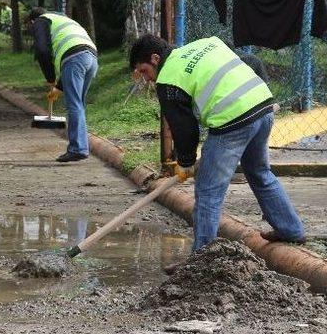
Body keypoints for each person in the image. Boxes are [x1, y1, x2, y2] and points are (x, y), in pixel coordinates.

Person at [129, 34, 305, 253]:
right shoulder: (205, 44)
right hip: (263, 107)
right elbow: (252, 61)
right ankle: (291, 230)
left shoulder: (168, 80)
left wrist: (185, 162)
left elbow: (185, 129)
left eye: (144, 71)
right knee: (260, 172)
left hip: (232, 123)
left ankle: (201, 259)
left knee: (208, 191)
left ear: (155, 59)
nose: (147, 79)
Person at [28, 7, 98, 162]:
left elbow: (42, 51)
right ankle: (81, 146)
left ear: (32, 21)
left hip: (74, 58)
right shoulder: (61, 19)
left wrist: (50, 78)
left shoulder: (40, 21)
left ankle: (77, 149)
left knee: (74, 104)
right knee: (78, 104)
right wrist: (58, 88)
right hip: (91, 57)